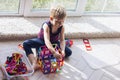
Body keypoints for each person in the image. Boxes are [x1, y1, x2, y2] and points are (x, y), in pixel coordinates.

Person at [23, 5, 72, 70]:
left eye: (62, 21)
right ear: (51, 18)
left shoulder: (62, 27)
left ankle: (62, 46)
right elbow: (47, 41)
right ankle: (34, 62)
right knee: (26, 44)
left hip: (54, 42)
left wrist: (62, 51)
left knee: (68, 52)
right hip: (42, 41)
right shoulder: (46, 26)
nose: (60, 24)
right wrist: (54, 52)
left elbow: (62, 40)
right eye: (58, 21)